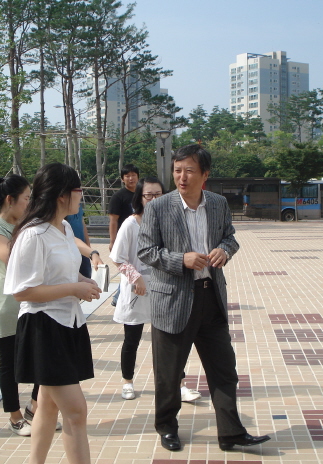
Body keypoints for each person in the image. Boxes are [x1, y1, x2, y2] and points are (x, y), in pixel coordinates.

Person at [138, 144, 271, 452]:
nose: (182, 177)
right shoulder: (159, 207)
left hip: (210, 297)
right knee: (169, 374)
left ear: (205, 175)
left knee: (224, 370)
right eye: (177, 171)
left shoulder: (218, 204)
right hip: (173, 300)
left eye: (189, 171)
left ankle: (231, 432)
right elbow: (146, 251)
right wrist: (180, 260)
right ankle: (167, 428)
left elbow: (230, 236)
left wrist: (225, 250)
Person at [5, 163, 101, 464]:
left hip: (68, 323)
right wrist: (74, 287)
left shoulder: (65, 228)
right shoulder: (33, 235)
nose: (81, 196)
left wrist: (83, 281)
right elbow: (22, 291)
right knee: (76, 411)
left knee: (47, 405)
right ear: (62, 195)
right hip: (43, 327)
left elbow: (63, 272)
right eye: (78, 190)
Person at [109, 177, 202, 403]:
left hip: (164, 290)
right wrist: (136, 277)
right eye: (148, 195)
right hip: (137, 290)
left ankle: (179, 384)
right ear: (139, 198)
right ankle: (127, 382)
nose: (152, 199)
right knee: (132, 339)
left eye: (157, 195)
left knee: (171, 340)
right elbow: (118, 258)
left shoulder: (169, 221)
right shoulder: (130, 224)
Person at [0, 174, 37, 436]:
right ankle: (15, 417)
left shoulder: (26, 225)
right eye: (26, 198)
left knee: (40, 360)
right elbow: (12, 258)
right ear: (9, 200)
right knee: (10, 365)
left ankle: (34, 410)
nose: (30, 203)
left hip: (30, 304)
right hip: (6, 306)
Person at [108, 164, 139, 306]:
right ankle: (118, 297)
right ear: (122, 179)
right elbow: (113, 220)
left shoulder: (142, 194)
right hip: (125, 239)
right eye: (127, 176)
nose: (131, 178)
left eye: (133, 175)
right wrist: (113, 241)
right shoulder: (118, 197)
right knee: (127, 267)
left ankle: (119, 295)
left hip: (140, 237)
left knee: (134, 267)